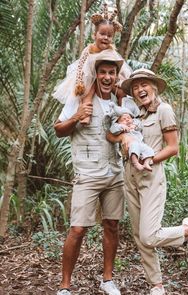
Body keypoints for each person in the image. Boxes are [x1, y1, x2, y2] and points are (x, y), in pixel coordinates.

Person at [107, 68, 188, 295]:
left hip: (151, 176)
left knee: (149, 235)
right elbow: (112, 133)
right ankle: (156, 285)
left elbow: (173, 147)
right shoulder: (133, 114)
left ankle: (187, 231)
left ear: (153, 86)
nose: (140, 89)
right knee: (139, 236)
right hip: (129, 176)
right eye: (135, 86)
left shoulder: (164, 110)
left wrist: (149, 157)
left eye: (144, 84)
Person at [54, 53, 127, 295]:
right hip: (87, 174)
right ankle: (65, 286)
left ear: (116, 76)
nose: (107, 77)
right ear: (96, 74)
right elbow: (58, 130)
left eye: (112, 73)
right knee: (77, 229)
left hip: (114, 173)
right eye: (103, 72)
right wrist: (77, 116)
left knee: (112, 225)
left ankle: (107, 280)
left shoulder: (119, 100)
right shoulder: (80, 98)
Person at [52, 3, 131, 124]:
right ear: (94, 35)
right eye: (102, 34)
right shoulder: (89, 50)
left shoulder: (111, 51)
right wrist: (79, 82)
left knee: (122, 93)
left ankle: (123, 114)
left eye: (109, 36)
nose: (105, 38)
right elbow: (81, 64)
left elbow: (119, 68)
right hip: (88, 78)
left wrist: (120, 81)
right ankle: (85, 115)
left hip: (107, 79)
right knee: (88, 91)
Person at [109, 102, 154, 171]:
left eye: (129, 118)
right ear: (118, 122)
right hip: (131, 144)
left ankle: (146, 162)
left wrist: (134, 125)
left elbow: (139, 124)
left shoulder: (134, 123)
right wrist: (121, 126)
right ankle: (136, 163)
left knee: (149, 150)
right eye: (123, 119)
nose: (127, 120)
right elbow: (113, 130)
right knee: (134, 146)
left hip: (140, 143)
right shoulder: (118, 126)